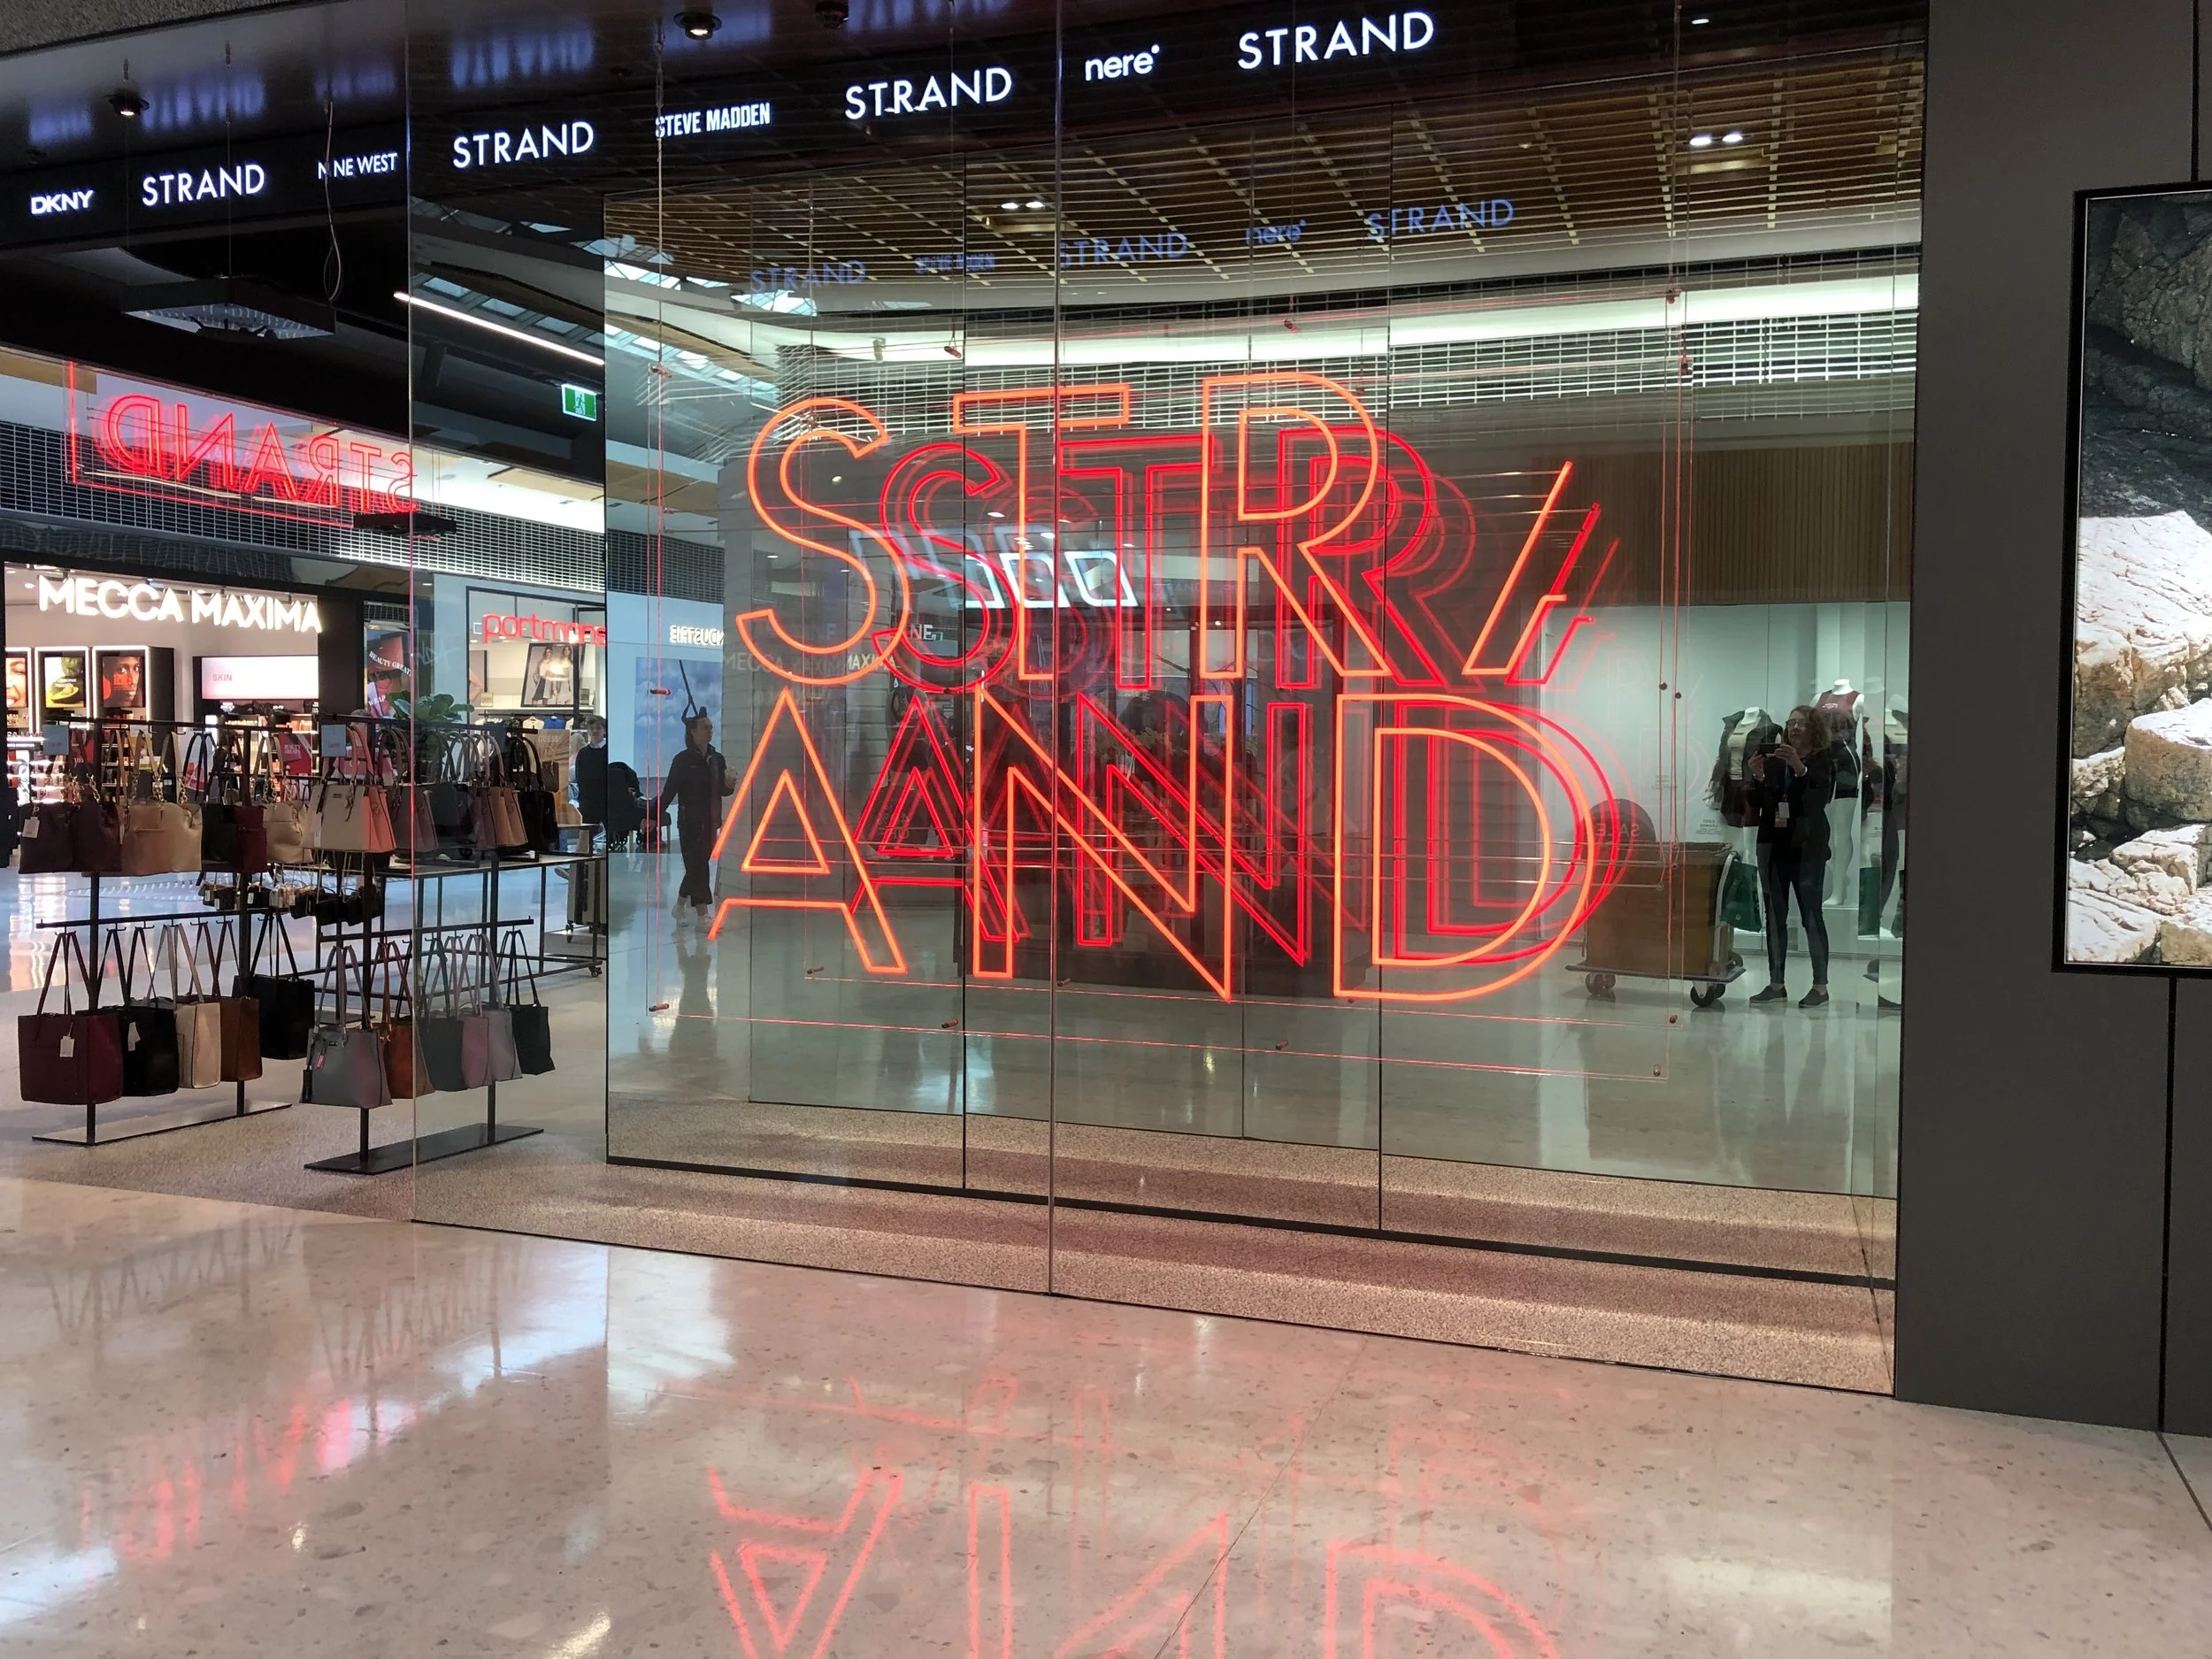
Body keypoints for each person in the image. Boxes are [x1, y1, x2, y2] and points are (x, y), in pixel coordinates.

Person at [1747, 703, 1835, 1009]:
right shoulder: (1775, 761)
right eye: (1791, 723)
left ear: (1813, 728)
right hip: (1774, 844)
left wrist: (1800, 768)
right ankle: (1776, 983)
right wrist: (1757, 776)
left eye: (1801, 724)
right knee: (1774, 914)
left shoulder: (1823, 760)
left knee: (1811, 914)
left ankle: (1820, 987)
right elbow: (1760, 803)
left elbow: (1816, 801)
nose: (1794, 728)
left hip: (1808, 848)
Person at [657, 712, 736, 926]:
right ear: (693, 732)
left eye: (711, 727)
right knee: (699, 866)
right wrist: (652, 816)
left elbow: (721, 790)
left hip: (711, 821)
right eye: (705, 727)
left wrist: (729, 784)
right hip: (689, 821)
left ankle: (680, 905)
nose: (710, 730)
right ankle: (703, 913)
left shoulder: (716, 759)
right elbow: (669, 791)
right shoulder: (682, 760)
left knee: (696, 865)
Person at [574, 715, 609, 844]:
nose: (595, 731)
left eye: (598, 728)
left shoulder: (609, 751)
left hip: (607, 801)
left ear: (604, 730)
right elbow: (580, 777)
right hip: (588, 802)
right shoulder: (583, 753)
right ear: (588, 731)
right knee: (585, 840)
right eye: (592, 728)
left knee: (611, 839)